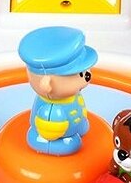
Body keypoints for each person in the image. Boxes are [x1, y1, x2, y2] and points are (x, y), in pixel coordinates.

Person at [18, 26, 97, 155]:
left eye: (85, 71)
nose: (87, 76)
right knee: (68, 144)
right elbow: (49, 132)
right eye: (80, 74)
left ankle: (78, 128)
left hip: (76, 124)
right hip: (54, 137)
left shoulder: (73, 94)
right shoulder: (51, 110)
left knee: (80, 126)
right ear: (47, 84)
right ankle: (52, 144)